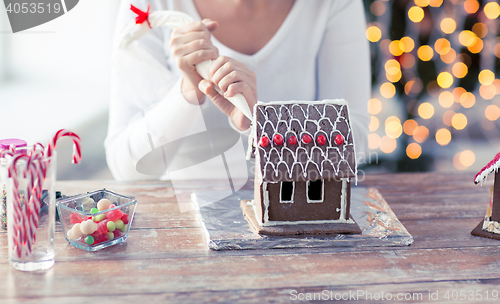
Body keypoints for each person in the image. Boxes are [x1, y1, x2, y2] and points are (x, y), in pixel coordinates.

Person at [105, 0, 370, 181]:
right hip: (181, 229)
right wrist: (189, 91)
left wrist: (260, 125)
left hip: (295, 222)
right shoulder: (148, 6)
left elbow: (353, 144)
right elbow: (126, 167)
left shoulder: (331, 4)